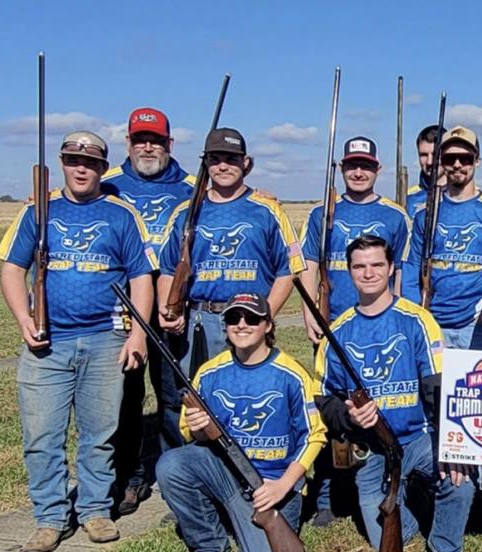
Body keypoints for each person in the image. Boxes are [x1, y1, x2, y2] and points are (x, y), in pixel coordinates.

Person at [0, 131, 156, 552]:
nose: (80, 168)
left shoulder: (121, 215)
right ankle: (50, 518)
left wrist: (138, 332)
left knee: (99, 434)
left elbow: (141, 275)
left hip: (105, 339)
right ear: (62, 164)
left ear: (104, 168)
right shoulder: (39, 210)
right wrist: (24, 319)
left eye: (90, 162)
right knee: (42, 435)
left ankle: (95, 511)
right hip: (48, 344)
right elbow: (13, 269)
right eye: (72, 160)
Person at [316, 235, 472, 552]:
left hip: (420, 436)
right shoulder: (338, 332)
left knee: (461, 479)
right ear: (349, 271)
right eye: (359, 266)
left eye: (376, 265)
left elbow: (438, 386)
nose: (368, 273)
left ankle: (446, 549)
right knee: (384, 536)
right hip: (373, 448)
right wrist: (349, 417)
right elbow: (323, 397)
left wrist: (451, 446)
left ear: (390, 269)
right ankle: (410, 507)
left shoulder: (416, 319)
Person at [156, 293, 327, 552]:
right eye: (234, 318)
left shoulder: (291, 374)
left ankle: (241, 519)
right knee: (171, 465)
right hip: (228, 476)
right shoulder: (210, 373)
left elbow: (314, 436)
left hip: (275, 486)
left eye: (252, 318)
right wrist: (199, 429)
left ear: (268, 325)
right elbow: (192, 437)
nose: (242, 324)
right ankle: (209, 543)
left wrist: (282, 485)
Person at [102, 107, 196, 515]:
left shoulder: (195, 188)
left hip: (175, 311)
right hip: (119, 312)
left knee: (175, 395)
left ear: (169, 144)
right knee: (124, 399)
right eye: (140, 139)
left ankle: (178, 472)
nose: (147, 146)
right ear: (128, 142)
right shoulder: (107, 186)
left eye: (155, 140)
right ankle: (129, 476)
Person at [156, 128, 305, 377]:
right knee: (197, 400)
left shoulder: (267, 210)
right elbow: (169, 269)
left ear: (245, 163)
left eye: (231, 159)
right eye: (215, 159)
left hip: (250, 320)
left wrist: (264, 316)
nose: (223, 166)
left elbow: (288, 270)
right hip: (201, 321)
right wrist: (168, 307)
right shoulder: (185, 212)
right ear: (206, 164)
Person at [402, 125, 482, 352]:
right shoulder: (426, 214)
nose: (457, 165)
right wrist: (419, 316)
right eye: (450, 158)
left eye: (465, 158)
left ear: (477, 161)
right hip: (434, 326)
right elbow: (412, 270)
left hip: (479, 329)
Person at [300, 135, 412, 341]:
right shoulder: (320, 212)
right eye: (352, 166)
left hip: (381, 320)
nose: (358, 173)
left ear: (378, 169)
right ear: (342, 168)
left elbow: (400, 272)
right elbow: (308, 265)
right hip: (332, 319)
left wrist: (397, 317)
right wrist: (310, 313)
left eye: (366, 166)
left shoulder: (396, 216)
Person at [403, 124, 447, 217]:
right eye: (424, 155)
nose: (430, 162)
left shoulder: (463, 196)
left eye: (435, 154)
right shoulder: (407, 198)